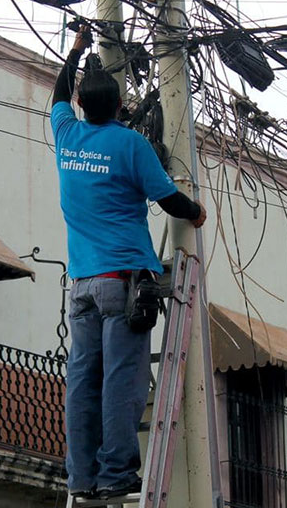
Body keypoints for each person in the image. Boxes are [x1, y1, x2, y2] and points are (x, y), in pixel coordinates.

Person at [51, 25, 206, 500]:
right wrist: (197, 212)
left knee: (82, 384)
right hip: (123, 283)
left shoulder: (66, 135)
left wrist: (76, 51)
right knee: (122, 382)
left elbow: (58, 92)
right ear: (120, 108)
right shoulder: (131, 146)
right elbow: (170, 201)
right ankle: (117, 473)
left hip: (81, 286)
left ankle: (81, 477)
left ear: (82, 105)